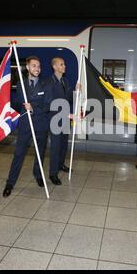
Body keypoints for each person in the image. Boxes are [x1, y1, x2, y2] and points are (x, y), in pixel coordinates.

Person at [3, 56, 50, 197]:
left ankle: (38, 175)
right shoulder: (20, 84)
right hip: (25, 125)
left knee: (40, 153)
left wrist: (33, 107)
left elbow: (48, 105)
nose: (37, 68)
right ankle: (10, 183)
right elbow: (17, 103)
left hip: (41, 124)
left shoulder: (45, 84)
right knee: (18, 154)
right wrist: (23, 107)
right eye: (34, 66)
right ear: (28, 67)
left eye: (39, 66)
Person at [45, 57, 80, 186]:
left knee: (63, 144)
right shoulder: (49, 82)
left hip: (65, 120)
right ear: (55, 67)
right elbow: (50, 104)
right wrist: (68, 114)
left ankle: (60, 165)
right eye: (62, 64)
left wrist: (76, 90)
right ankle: (53, 174)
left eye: (64, 64)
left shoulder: (65, 81)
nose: (64, 66)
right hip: (55, 119)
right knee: (55, 147)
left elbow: (69, 98)